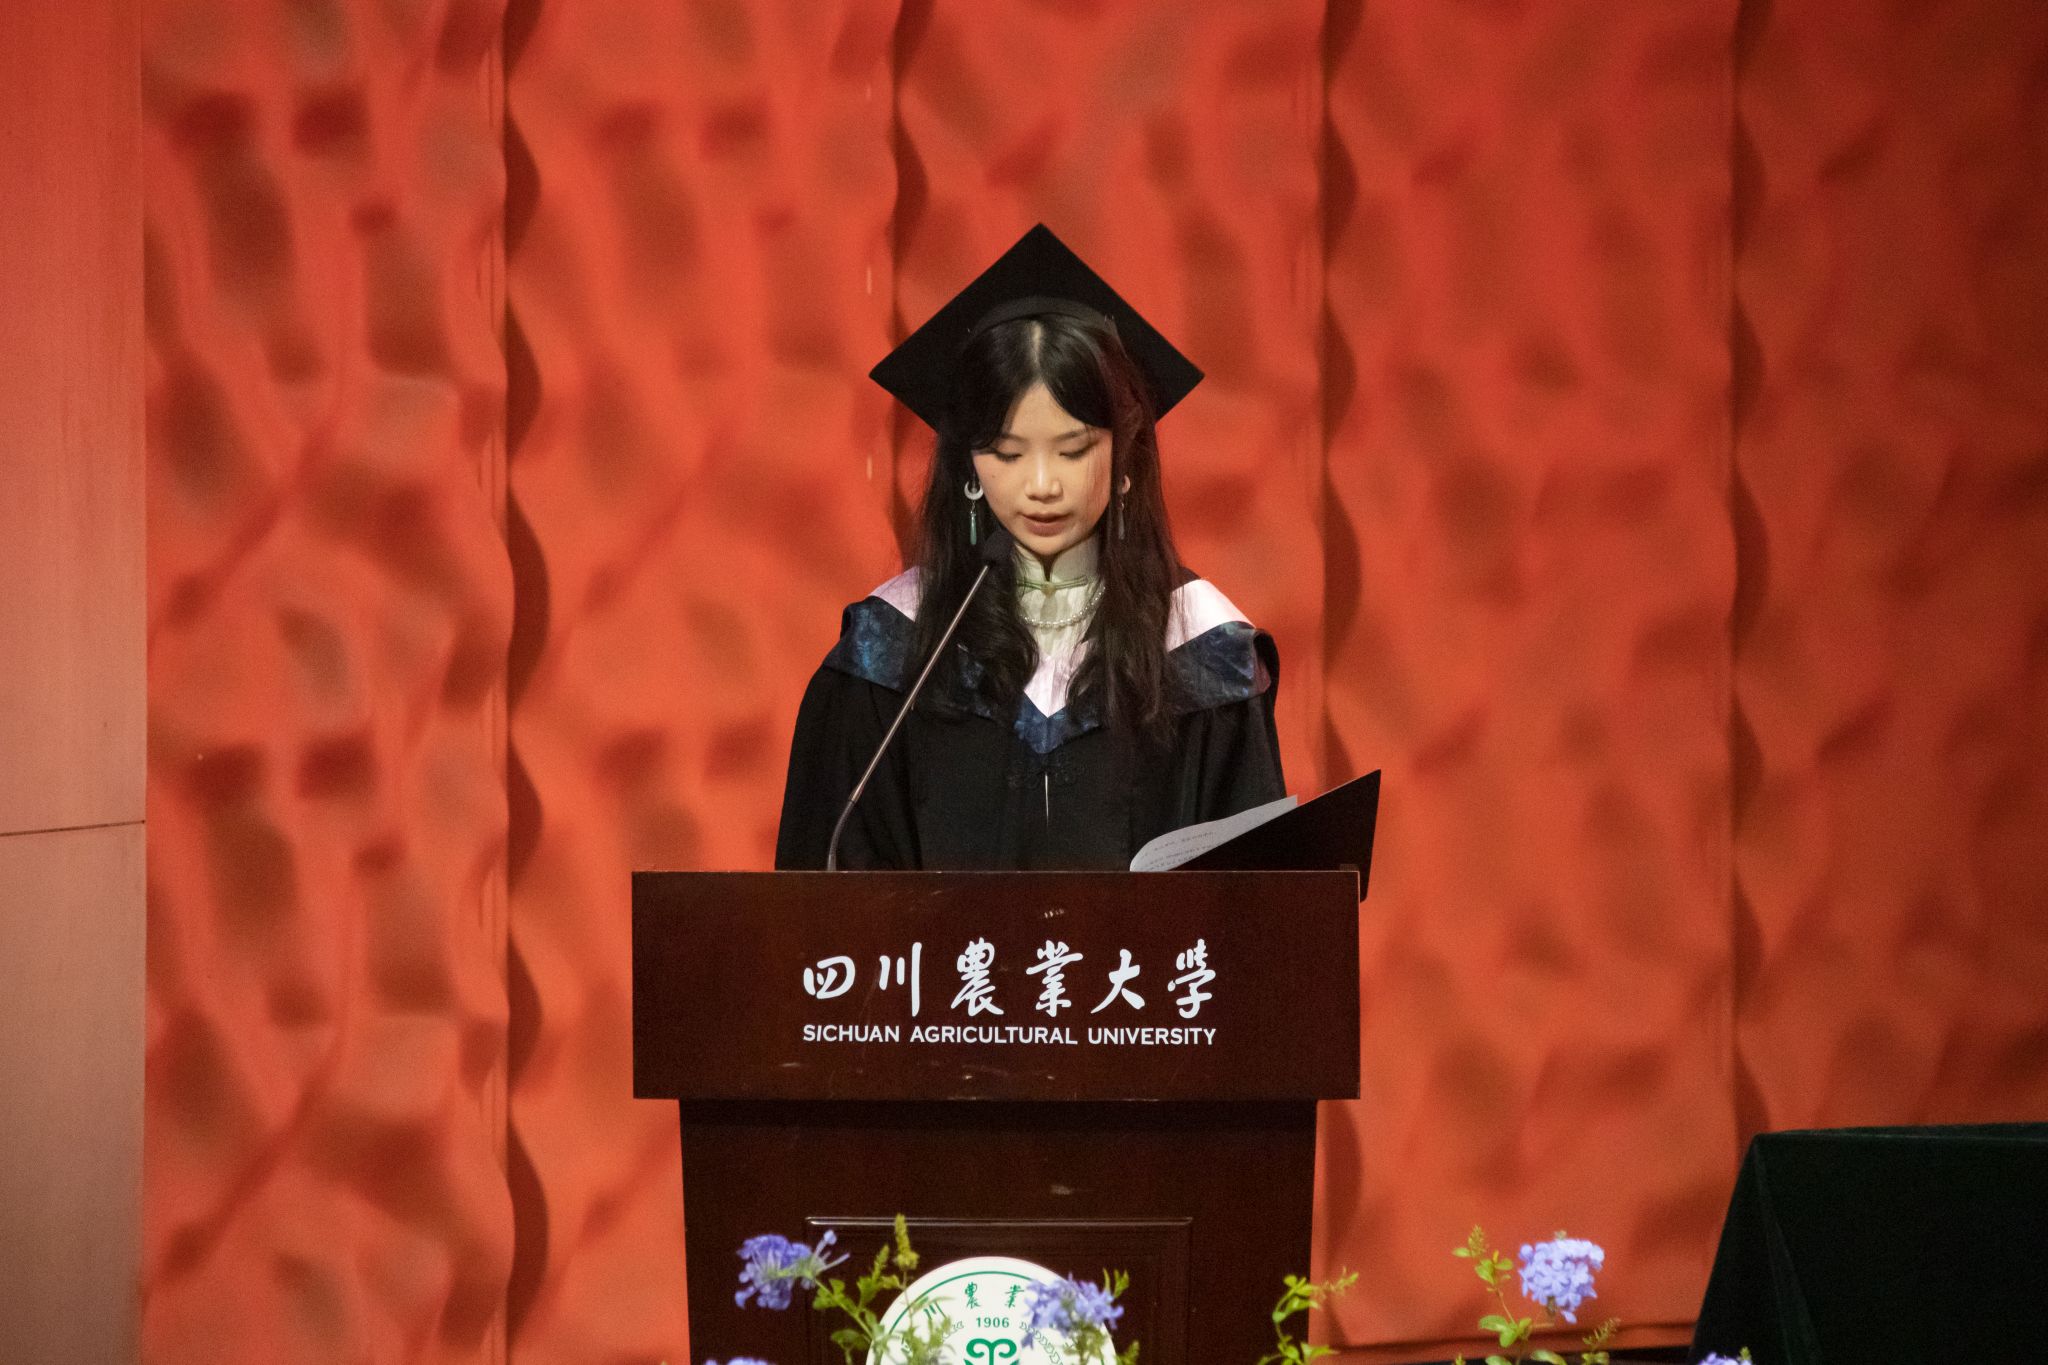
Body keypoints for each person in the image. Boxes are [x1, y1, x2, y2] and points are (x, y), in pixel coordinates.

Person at [775, 225, 1285, 870]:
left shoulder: (1201, 651)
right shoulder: (893, 652)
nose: (1042, 486)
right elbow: (828, 887)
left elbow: (1257, 899)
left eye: (1073, 451)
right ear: (968, 465)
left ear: (1125, 458)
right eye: (1008, 454)